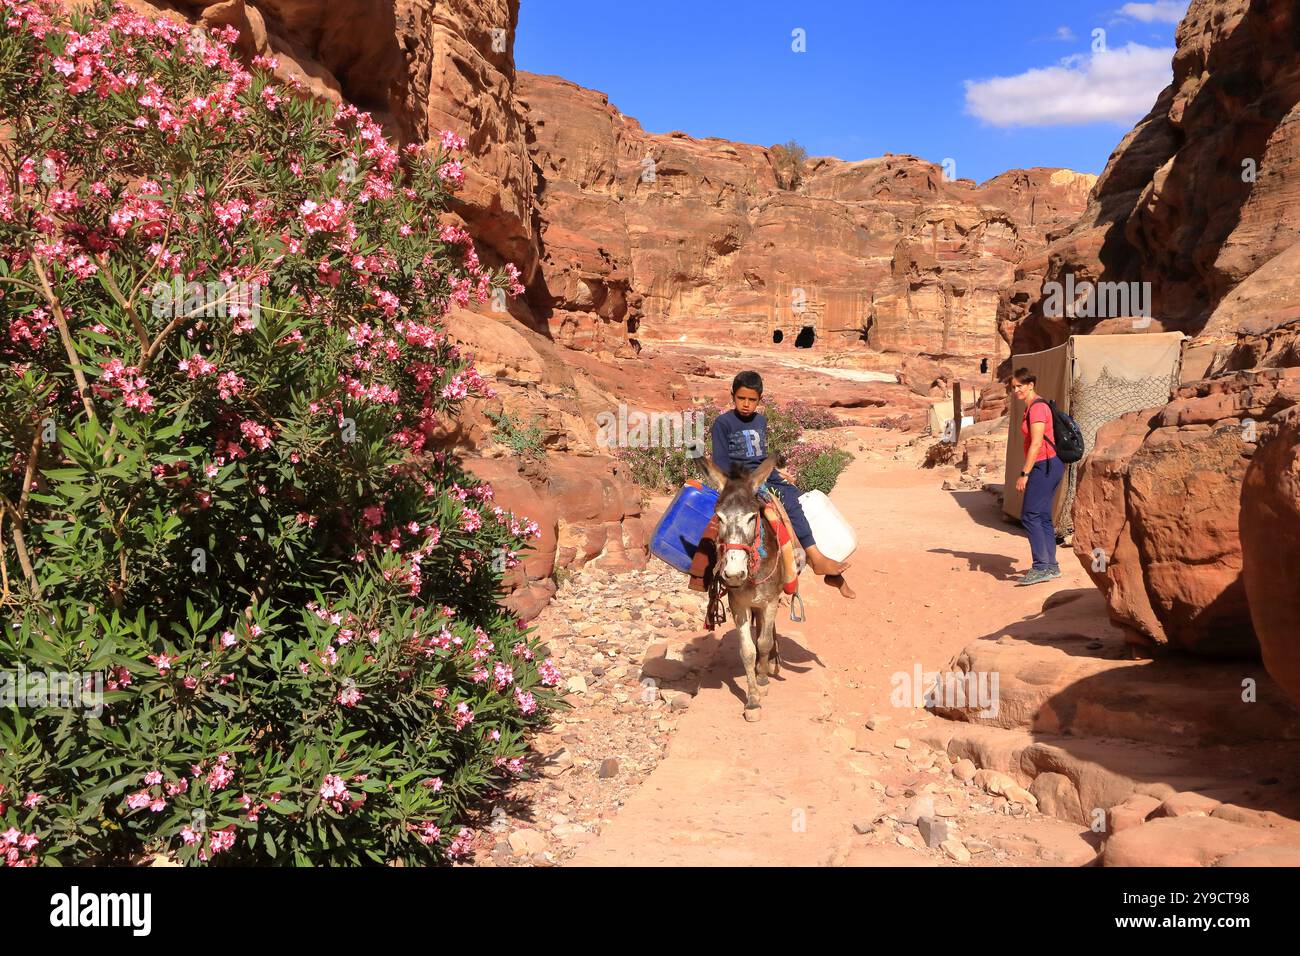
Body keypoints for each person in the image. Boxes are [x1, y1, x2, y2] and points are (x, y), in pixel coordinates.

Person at [710, 370, 855, 599]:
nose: (746, 404)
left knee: (794, 502)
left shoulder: (760, 421)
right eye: (741, 398)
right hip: (741, 481)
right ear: (732, 396)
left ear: (760, 399)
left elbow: (760, 456)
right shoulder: (723, 423)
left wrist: (776, 473)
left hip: (766, 477)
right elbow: (720, 462)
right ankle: (711, 575)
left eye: (752, 400)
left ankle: (815, 559)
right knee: (720, 523)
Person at [1011, 368, 1064, 586]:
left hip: (1045, 465)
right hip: (1048, 465)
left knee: (1029, 515)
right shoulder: (1033, 407)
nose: (1016, 390)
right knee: (1042, 516)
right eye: (1013, 387)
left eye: (1019, 386)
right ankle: (1050, 565)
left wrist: (1025, 473)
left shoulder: (1038, 408)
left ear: (1031, 385)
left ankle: (1041, 566)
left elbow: (1036, 443)